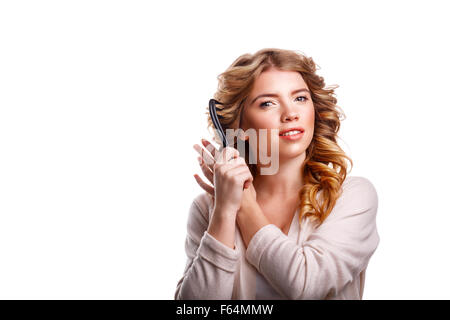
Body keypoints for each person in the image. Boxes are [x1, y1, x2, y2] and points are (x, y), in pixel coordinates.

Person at [174, 48, 380, 300]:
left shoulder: (351, 197)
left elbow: (307, 286)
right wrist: (224, 212)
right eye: (268, 103)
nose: (291, 113)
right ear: (239, 125)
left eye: (300, 98)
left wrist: (244, 205)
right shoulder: (209, 208)